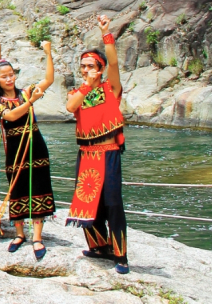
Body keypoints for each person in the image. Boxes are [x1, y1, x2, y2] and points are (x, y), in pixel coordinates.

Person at [65, 15, 129, 275]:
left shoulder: (111, 89)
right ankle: (99, 246)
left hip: (109, 153)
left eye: (91, 66)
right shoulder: (76, 92)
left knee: (112, 203)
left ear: (100, 69)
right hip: (87, 154)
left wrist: (106, 34)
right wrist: (85, 85)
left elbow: (114, 62)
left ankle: (121, 254)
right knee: (86, 202)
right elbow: (71, 107)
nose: (86, 70)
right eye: (83, 66)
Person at [0, 39, 56, 260]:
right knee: (17, 188)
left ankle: (37, 237)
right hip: (14, 148)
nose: (9, 79)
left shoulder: (26, 91)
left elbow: (48, 79)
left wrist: (47, 52)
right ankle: (19, 234)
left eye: (12, 74)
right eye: (4, 76)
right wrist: (30, 103)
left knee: (38, 187)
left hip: (35, 145)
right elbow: (9, 116)